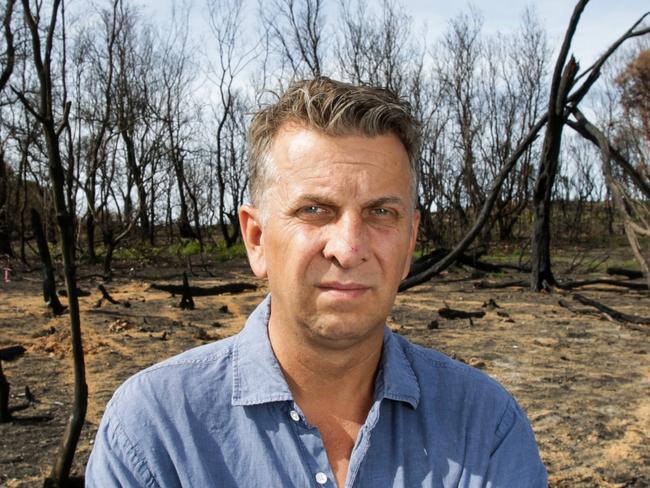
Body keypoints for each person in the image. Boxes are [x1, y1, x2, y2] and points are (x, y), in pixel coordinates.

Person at [86, 77, 547, 487]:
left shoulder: (485, 427)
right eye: (315, 210)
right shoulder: (154, 431)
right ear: (257, 239)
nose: (347, 248)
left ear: (409, 245)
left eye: (381, 212)